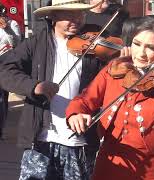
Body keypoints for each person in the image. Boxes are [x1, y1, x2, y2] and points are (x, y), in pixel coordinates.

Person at [65, 15, 154, 180]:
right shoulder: (115, 68)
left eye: (151, 48)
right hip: (110, 160)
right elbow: (85, 99)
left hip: (151, 166)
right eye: (136, 44)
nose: (141, 54)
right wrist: (76, 113)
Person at [0, 0, 103, 179]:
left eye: (80, 14)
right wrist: (34, 86)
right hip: (41, 139)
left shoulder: (96, 44)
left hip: (79, 140)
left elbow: (107, 83)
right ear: (53, 16)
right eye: (69, 15)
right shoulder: (36, 43)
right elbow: (5, 71)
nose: (76, 20)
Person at [0, 3, 21, 139]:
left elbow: (17, 43)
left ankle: (0, 129)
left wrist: (7, 29)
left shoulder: (12, 24)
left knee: (1, 98)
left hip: (4, 64)